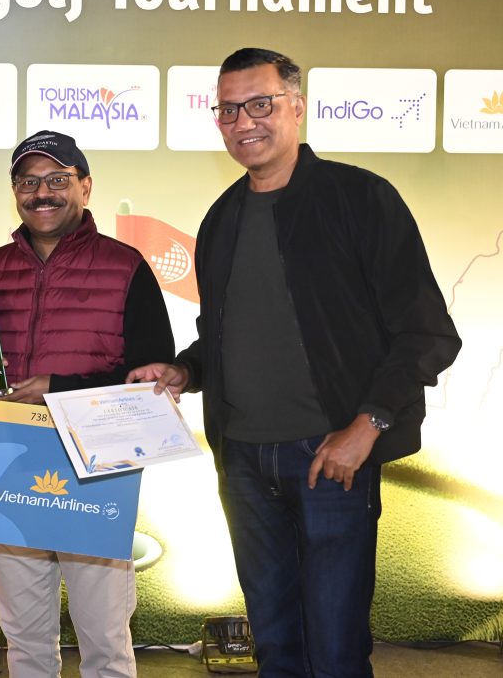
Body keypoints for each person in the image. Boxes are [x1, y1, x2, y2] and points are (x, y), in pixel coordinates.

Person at [128, 48, 462, 676]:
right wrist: (185, 372)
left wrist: (368, 425)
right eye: (228, 110)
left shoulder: (361, 198)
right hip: (243, 464)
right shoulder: (222, 217)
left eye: (261, 103)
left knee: (335, 651)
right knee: (276, 648)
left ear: (298, 107)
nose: (244, 121)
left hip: (331, 458)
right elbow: (224, 336)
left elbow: (427, 334)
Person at [0, 130, 175, 677]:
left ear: (85, 186)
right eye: (27, 182)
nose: (42, 193)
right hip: (12, 462)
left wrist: (59, 387)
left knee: (105, 638)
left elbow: (152, 378)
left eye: (57, 179)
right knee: (24, 638)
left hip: (96, 467)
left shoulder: (125, 265)